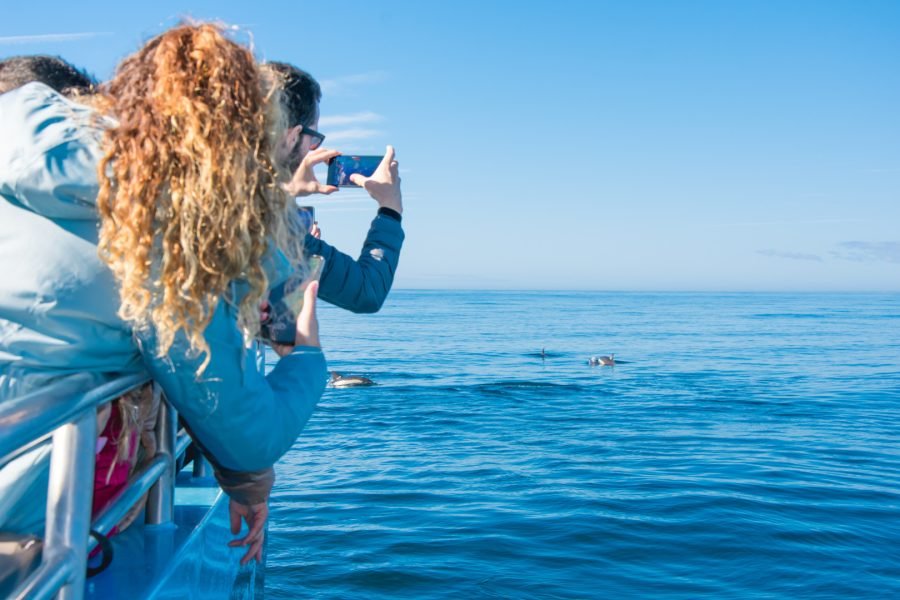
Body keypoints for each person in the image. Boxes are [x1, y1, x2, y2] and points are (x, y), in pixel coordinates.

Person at [0, 25, 332, 564]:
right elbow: (247, 433)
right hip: (26, 496)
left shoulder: (20, 120)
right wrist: (308, 358)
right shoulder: (165, 225)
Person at [268, 62, 405, 314]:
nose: (313, 148)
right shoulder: (275, 230)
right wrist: (390, 209)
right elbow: (366, 292)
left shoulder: (190, 194)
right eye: (313, 138)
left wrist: (284, 193)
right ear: (292, 135)